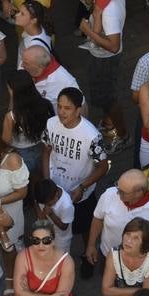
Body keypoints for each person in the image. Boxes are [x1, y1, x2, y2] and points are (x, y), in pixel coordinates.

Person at [43, 87, 111, 243]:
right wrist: (47, 181)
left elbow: (103, 166)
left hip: (80, 194)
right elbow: (46, 152)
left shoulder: (92, 135)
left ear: (78, 109)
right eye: (59, 106)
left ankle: (87, 256)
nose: (61, 112)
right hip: (55, 191)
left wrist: (82, 187)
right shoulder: (50, 124)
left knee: (84, 228)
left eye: (67, 108)